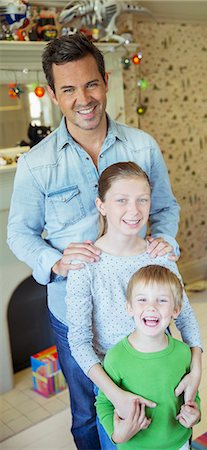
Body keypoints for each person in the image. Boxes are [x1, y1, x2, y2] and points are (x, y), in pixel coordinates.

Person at [7, 33, 181, 450]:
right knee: (87, 411)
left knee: (154, 399)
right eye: (68, 89)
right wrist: (56, 262)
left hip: (143, 310)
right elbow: (19, 233)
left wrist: (165, 240)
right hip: (74, 316)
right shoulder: (36, 164)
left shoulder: (143, 146)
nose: (82, 98)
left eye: (90, 84)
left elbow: (166, 209)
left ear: (104, 81)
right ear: (52, 93)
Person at [65, 162, 203, 449]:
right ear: (101, 205)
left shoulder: (160, 255)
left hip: (163, 375)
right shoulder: (85, 265)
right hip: (115, 387)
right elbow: (78, 341)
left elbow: (186, 318)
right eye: (122, 200)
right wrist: (115, 395)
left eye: (143, 200)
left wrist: (196, 369)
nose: (135, 210)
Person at [96, 264, 201, 450]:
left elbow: (192, 392)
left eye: (161, 300)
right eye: (142, 299)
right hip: (135, 446)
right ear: (129, 307)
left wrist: (195, 412)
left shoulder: (183, 353)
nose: (151, 307)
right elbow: (104, 402)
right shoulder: (116, 357)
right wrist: (116, 434)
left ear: (176, 310)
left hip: (179, 443)